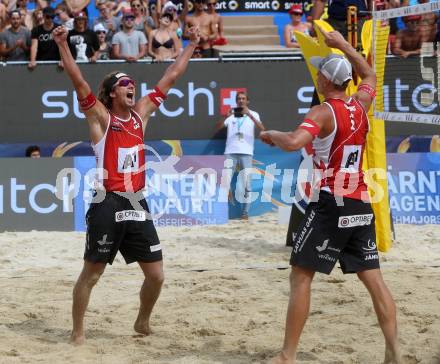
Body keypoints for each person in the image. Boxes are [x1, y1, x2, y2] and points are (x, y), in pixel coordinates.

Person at [51, 22, 201, 346]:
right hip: (107, 201)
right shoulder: (102, 118)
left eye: (132, 83)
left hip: (137, 202)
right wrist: (62, 44)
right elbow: (78, 81)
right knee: (92, 275)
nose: (131, 86)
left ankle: (142, 321)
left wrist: (191, 45)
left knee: (157, 275)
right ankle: (77, 332)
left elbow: (171, 76)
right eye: (124, 84)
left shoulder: (141, 115)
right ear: (111, 93)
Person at [261, 28, 401, 364]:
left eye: (321, 74)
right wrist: (342, 44)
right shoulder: (361, 104)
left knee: (300, 276)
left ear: (324, 81)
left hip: (331, 204)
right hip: (360, 202)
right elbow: (369, 73)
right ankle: (394, 351)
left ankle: (287, 355)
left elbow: (295, 142)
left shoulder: (322, 113)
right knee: (375, 280)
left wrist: (271, 135)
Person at [216, 91, 265, 220]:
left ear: (247, 101)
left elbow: (263, 129)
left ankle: (245, 213)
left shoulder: (253, 114)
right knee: (225, 183)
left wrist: (249, 115)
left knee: (247, 184)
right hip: (230, 152)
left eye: (243, 99)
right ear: (236, 101)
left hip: (247, 153)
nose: (241, 101)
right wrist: (225, 116)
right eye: (239, 99)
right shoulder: (231, 115)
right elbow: (218, 127)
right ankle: (221, 212)